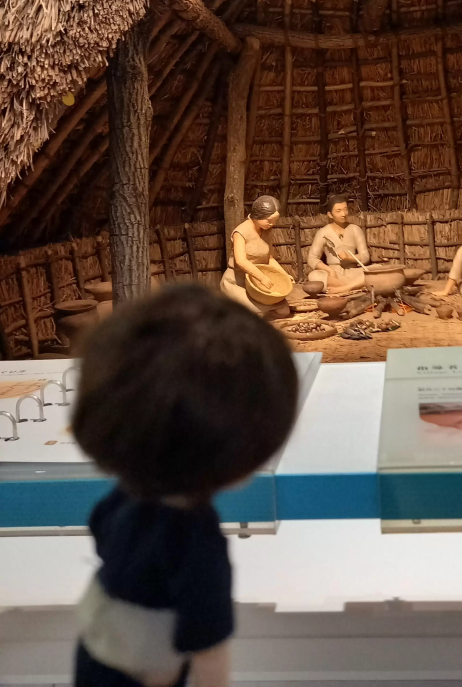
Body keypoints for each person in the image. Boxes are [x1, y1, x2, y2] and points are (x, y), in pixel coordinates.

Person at [71, 283, 298, 687]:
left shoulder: (124, 498)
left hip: (96, 640)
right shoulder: (196, 539)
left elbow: (99, 529)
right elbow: (208, 646)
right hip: (145, 670)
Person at [220, 195, 291, 318]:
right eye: (269, 220)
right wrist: (261, 277)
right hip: (238, 281)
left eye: (274, 221)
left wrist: (283, 274)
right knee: (256, 314)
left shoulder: (266, 230)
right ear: (258, 215)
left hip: (257, 284)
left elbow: (270, 258)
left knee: (283, 311)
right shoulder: (241, 232)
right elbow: (241, 261)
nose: (271, 224)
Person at [307, 194, 370, 295]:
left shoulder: (355, 229)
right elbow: (311, 258)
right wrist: (329, 270)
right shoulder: (323, 232)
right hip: (334, 274)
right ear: (330, 214)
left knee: (377, 269)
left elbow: (365, 257)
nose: (343, 214)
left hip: (353, 272)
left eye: (345, 209)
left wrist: (349, 258)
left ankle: (343, 288)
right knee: (313, 276)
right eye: (338, 211)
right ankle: (354, 287)